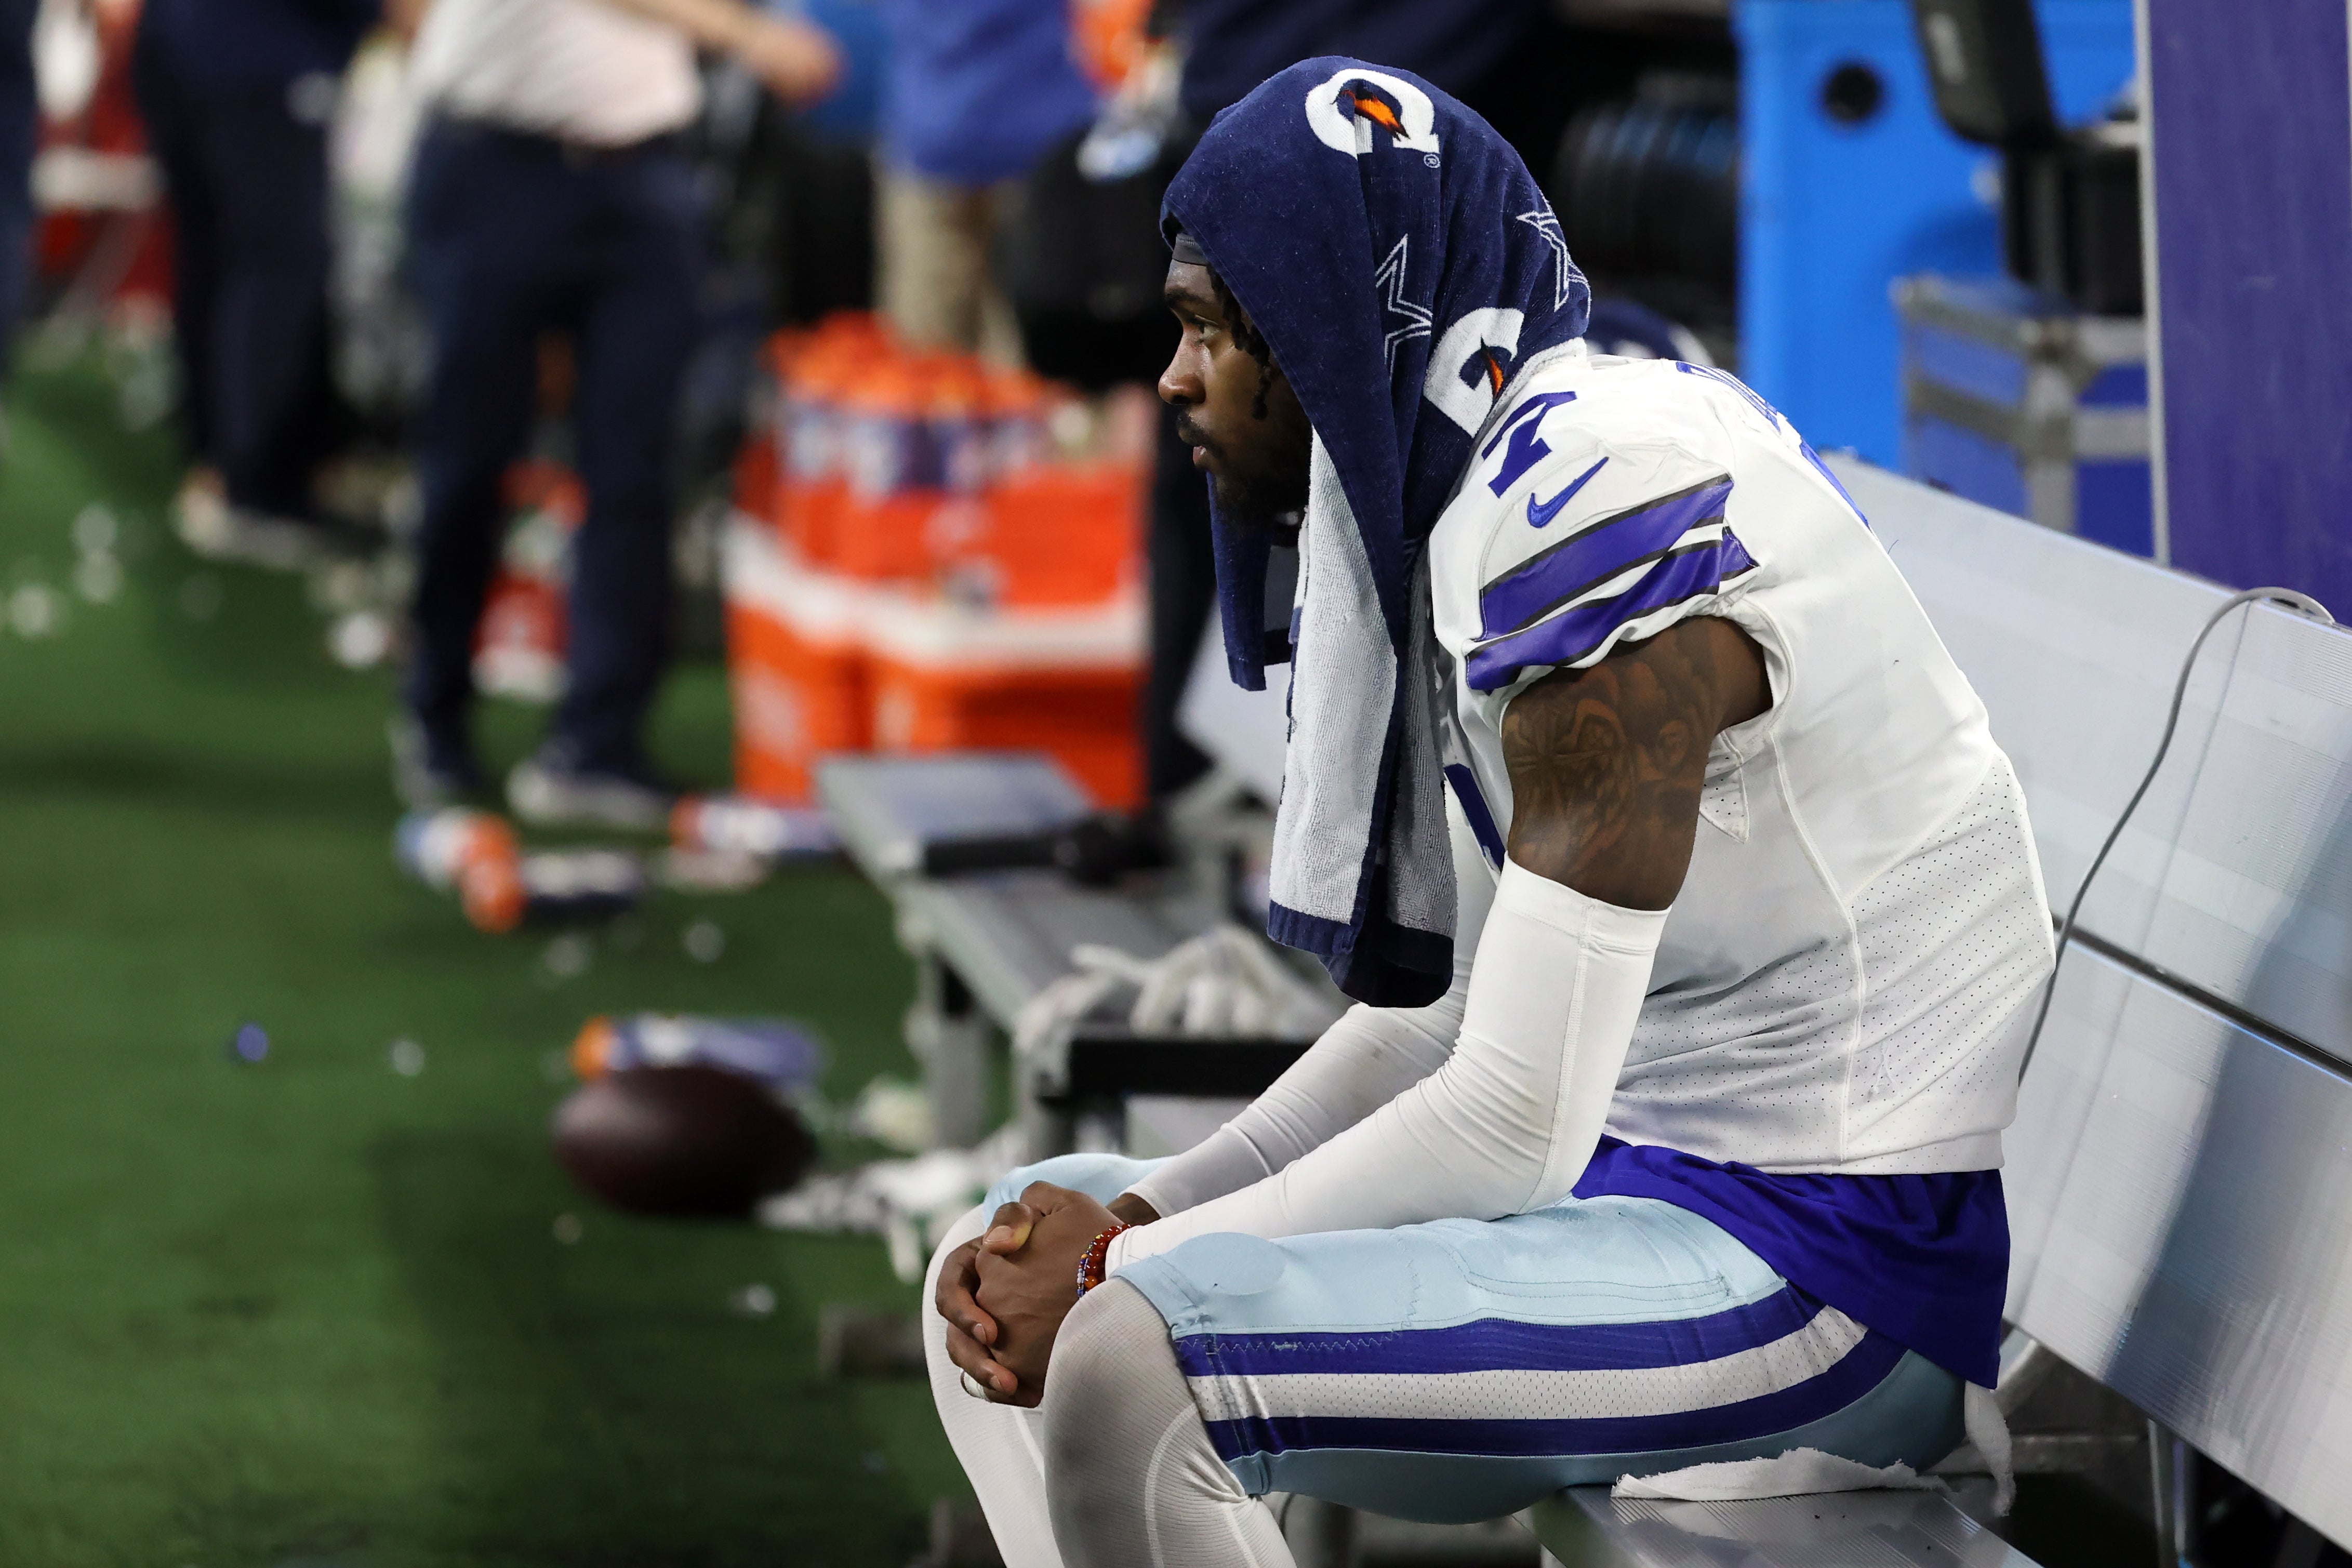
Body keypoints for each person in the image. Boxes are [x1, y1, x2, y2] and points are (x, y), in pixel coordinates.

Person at [923, 59, 2054, 1565]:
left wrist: (1129, 1258)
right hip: (1637, 1194)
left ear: (1337, 325)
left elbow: (1511, 1114)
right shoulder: (1475, 487)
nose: (1171, 379)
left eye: (1206, 326)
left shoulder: (1597, 512)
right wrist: (1140, 1205)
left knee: (1134, 1347)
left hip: (1820, 1270)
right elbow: (1434, 1022)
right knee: (995, 1245)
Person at [393, 0, 840, 823]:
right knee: (471, 458)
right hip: (493, 160)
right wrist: (748, 37)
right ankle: (434, 712)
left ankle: (598, 741)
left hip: (641, 175)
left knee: (636, 465)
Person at [133, 0, 380, 560]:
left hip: (186, 41)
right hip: (257, 52)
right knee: (275, 268)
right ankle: (256, 483)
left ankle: (217, 457)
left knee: (219, 260)